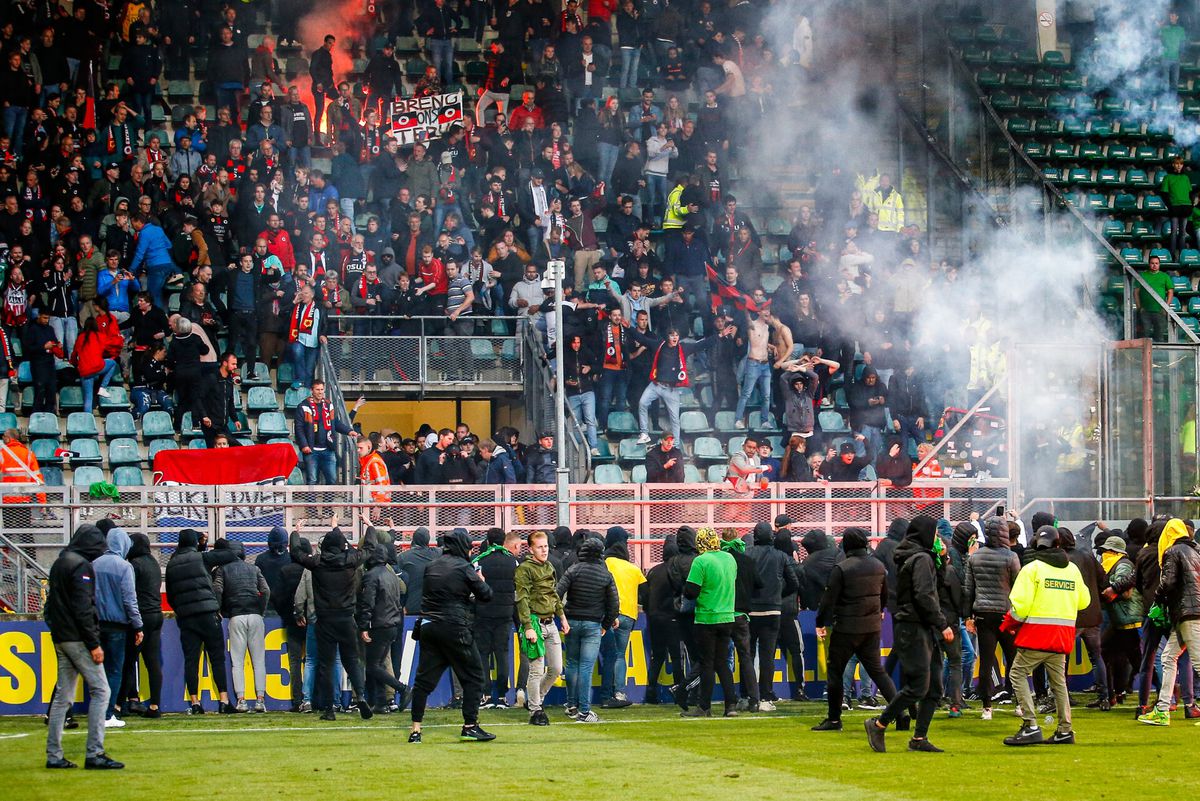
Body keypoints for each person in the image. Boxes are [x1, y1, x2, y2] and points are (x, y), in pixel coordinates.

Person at [864, 516, 954, 753]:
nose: (938, 539)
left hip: (920, 626)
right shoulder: (921, 559)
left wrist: (942, 559)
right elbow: (925, 595)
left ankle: (919, 738)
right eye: (935, 534)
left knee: (934, 687)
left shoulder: (917, 557)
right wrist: (942, 623)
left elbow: (937, 586)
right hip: (915, 627)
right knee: (919, 687)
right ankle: (879, 723)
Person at [44, 524, 124, 770]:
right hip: (79, 638)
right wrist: (93, 643)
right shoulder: (81, 566)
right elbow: (83, 607)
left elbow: (52, 605)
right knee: (102, 691)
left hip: (61, 636)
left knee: (62, 697)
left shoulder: (60, 562)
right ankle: (94, 752)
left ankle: (54, 755)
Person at [1002, 526, 1091, 745]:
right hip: (1062, 636)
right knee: (1059, 683)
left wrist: (1008, 624)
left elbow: (1019, 607)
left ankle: (1030, 725)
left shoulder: (1032, 569)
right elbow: (1084, 602)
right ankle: (1065, 730)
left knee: (1017, 674)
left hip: (1036, 636)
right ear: (1058, 544)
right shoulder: (1072, 570)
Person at [407, 528, 495, 743]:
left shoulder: (431, 565)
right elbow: (486, 595)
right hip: (454, 627)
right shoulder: (464, 567)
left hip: (428, 626)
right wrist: (480, 580)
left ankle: (415, 730)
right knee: (474, 677)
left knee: (423, 682)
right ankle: (470, 726)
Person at [813, 527, 895, 731]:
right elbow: (884, 596)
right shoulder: (878, 566)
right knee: (877, 671)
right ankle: (898, 712)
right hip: (872, 627)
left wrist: (820, 622)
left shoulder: (842, 568)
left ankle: (834, 719)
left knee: (836, 673)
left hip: (847, 628)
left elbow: (828, 599)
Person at [289, 523, 373, 721]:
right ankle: (360, 695)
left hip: (325, 620)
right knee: (352, 660)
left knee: (326, 664)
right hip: (346, 618)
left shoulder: (318, 563)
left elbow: (296, 552)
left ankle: (329, 709)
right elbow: (369, 548)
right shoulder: (351, 560)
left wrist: (295, 532)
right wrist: (370, 528)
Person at [164, 529, 235, 714]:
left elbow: (171, 596)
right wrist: (204, 545)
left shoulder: (171, 564)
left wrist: (181, 610)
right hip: (208, 614)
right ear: (195, 542)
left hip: (187, 618)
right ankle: (223, 700)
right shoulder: (202, 558)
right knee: (217, 658)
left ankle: (195, 703)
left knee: (191, 660)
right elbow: (230, 554)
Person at [1139, 518, 1200, 725]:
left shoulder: (1172, 552)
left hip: (1186, 613)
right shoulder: (1195, 551)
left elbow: (1168, 582)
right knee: (1168, 657)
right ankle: (1162, 709)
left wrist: (1157, 598)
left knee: (1196, 662)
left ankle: (1163, 709)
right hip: (1191, 612)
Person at [964, 516, 1021, 720]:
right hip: (1006, 614)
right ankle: (1019, 703)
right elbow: (1018, 587)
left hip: (983, 614)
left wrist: (967, 616)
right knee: (1014, 660)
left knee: (986, 661)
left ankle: (987, 707)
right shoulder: (1011, 557)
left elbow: (968, 589)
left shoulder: (975, 557)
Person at [558, 535, 620, 722]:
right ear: (601, 553)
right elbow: (614, 605)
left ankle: (571, 705)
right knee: (586, 666)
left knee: (572, 664)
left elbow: (556, 595)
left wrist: (562, 618)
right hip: (593, 625)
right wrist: (606, 625)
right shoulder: (605, 574)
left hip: (572, 622)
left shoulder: (573, 570)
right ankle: (585, 711)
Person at [680, 527, 739, 718]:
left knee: (707, 664)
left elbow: (691, 591)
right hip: (727, 616)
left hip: (706, 618)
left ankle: (704, 706)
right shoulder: (729, 558)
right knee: (722, 663)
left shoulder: (701, 561)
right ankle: (731, 705)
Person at [515, 530, 570, 726]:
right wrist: (527, 626)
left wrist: (562, 617)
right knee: (536, 670)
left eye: (545, 546)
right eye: (539, 546)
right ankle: (536, 710)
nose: (544, 549)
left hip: (551, 622)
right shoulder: (524, 569)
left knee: (556, 668)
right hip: (536, 624)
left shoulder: (550, 566)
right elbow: (521, 599)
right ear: (531, 549)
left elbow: (554, 595)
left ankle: (535, 699)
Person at [92, 526, 143, 727]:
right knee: (114, 670)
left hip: (95, 625)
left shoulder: (93, 564)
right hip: (117, 626)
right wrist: (138, 625)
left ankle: (97, 712)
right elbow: (130, 600)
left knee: (98, 671)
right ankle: (107, 713)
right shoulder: (124, 566)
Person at [357, 525, 409, 714]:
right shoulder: (392, 575)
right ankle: (381, 702)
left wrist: (363, 626)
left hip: (379, 624)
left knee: (372, 666)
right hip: (393, 623)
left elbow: (368, 603)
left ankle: (402, 688)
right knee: (378, 664)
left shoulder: (371, 576)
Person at [213, 541, 271, 713]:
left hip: (236, 616)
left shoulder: (223, 570)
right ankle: (260, 700)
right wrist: (261, 610)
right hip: (255, 615)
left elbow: (217, 589)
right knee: (258, 660)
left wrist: (219, 609)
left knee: (237, 662)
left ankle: (242, 700)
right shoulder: (254, 569)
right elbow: (266, 591)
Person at [747, 521, 799, 713]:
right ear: (771, 536)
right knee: (768, 656)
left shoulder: (748, 554)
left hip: (751, 610)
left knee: (748, 655)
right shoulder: (780, 556)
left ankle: (748, 696)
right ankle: (766, 696)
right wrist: (777, 594)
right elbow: (794, 582)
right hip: (773, 610)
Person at [472, 529, 521, 709]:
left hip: (483, 613)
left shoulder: (479, 561)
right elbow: (518, 586)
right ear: (503, 541)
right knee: (502, 653)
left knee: (483, 654)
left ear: (487, 540)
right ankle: (501, 696)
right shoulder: (513, 561)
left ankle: (484, 694)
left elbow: (472, 587)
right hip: (505, 614)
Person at [599, 526, 645, 708]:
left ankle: (606, 692)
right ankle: (619, 692)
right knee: (619, 655)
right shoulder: (633, 569)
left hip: (608, 613)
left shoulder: (604, 564)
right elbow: (644, 592)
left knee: (606, 655)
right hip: (629, 614)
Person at [120, 533, 163, 718]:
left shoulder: (134, 565)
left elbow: (129, 593)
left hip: (141, 616)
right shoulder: (153, 563)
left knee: (129, 661)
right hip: (156, 614)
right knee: (152, 662)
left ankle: (121, 705)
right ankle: (154, 706)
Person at [1097, 535, 1143, 707]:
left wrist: (1109, 590)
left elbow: (1125, 592)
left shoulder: (1122, 565)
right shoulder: (1114, 565)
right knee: (1110, 653)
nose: (1103, 554)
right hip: (1120, 619)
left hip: (1128, 618)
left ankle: (1166, 690)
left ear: (1114, 551)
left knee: (1136, 659)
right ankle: (1113, 695)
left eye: (1105, 551)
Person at [294, 379, 357, 484]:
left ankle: (329, 500)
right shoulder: (303, 406)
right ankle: (311, 501)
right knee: (312, 480)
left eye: (322, 389)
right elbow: (299, 428)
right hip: (311, 450)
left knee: (332, 479)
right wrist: (304, 445)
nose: (320, 392)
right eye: (317, 389)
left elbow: (335, 423)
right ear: (312, 390)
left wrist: (349, 431)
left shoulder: (328, 405)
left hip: (328, 449)